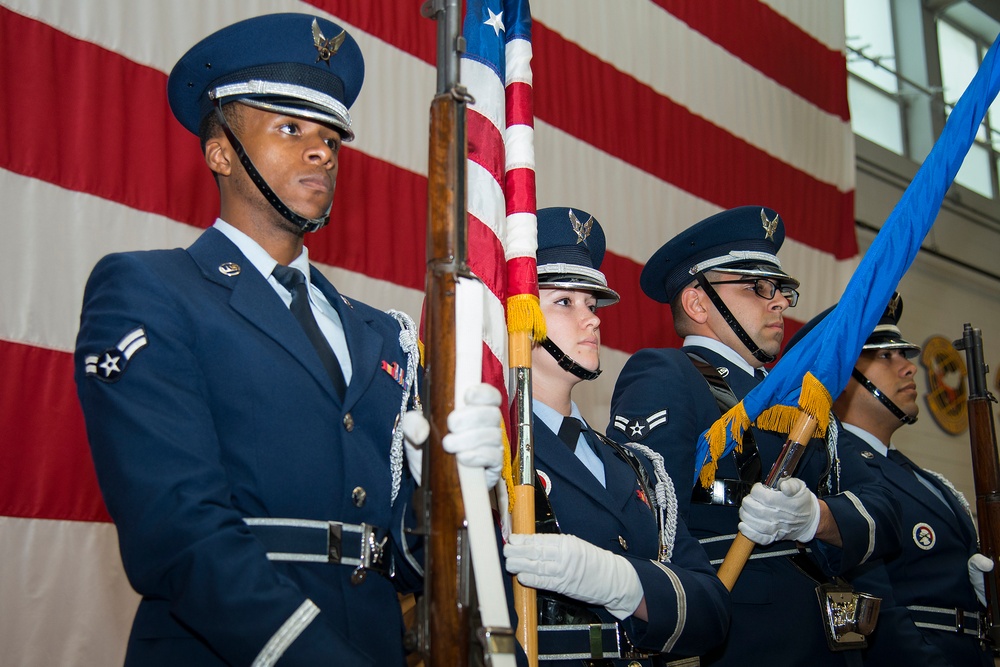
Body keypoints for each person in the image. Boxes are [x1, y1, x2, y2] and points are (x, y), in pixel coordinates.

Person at [74, 14, 503, 666]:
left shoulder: (380, 334)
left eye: (331, 136)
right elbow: (178, 532)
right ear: (220, 153)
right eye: (290, 128)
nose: (321, 151)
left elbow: (407, 557)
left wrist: (451, 490)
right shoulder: (149, 290)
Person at [606, 206, 901, 666]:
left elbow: (884, 510)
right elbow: (652, 519)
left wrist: (816, 518)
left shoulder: (804, 399)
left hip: (826, 642)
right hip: (739, 640)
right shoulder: (669, 374)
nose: (780, 301)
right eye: (758, 287)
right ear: (698, 303)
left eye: (782, 289)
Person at [501, 207, 731, 665]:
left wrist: (627, 584)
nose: (593, 320)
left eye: (592, 304)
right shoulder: (498, 454)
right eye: (565, 302)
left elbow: (712, 609)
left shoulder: (639, 467)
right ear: (518, 314)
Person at [787, 294, 994, 666]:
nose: (909, 367)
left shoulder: (924, 478)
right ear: (839, 376)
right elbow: (872, 603)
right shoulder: (832, 473)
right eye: (886, 356)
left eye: (903, 354)